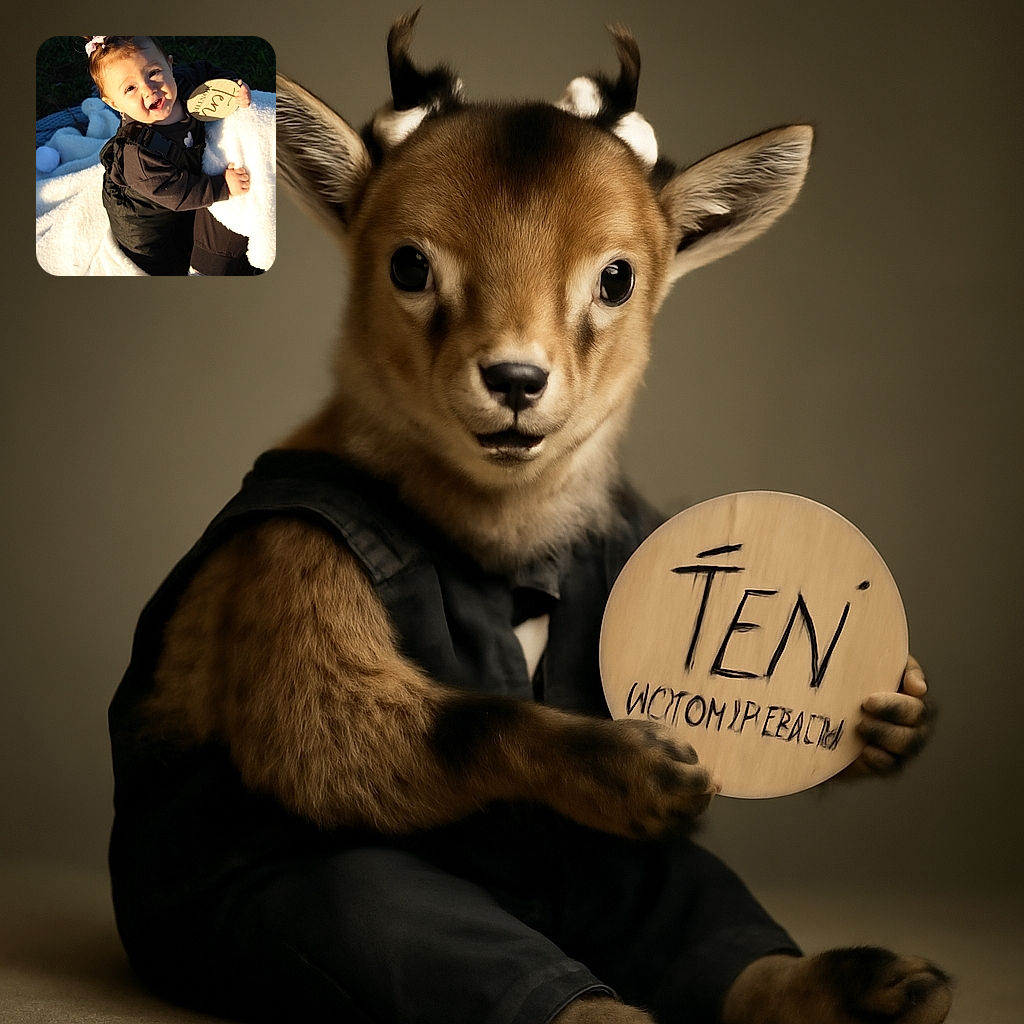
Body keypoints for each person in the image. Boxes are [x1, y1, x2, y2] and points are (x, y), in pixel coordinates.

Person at [87, 35, 257, 276]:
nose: (149, 89)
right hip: (146, 226)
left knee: (188, 225)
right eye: (130, 88)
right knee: (168, 264)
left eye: (153, 73)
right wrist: (223, 187)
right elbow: (179, 194)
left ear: (170, 65)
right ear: (114, 103)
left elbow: (207, 71)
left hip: (175, 195)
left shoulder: (186, 83)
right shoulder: (139, 153)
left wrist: (232, 87)